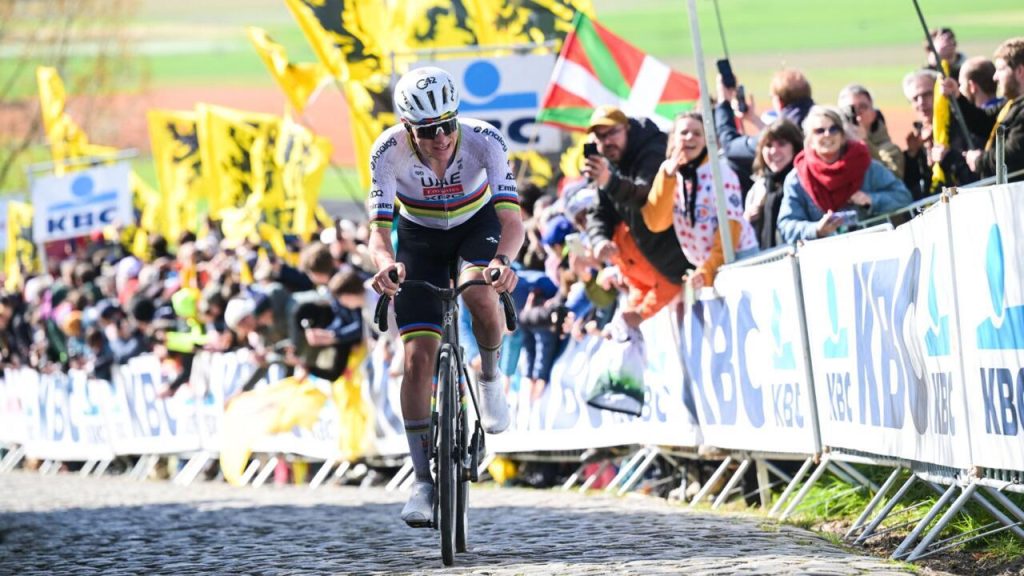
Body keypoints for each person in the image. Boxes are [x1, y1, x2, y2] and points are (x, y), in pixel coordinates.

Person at [365, 66, 524, 527]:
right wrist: (384, 266)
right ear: (408, 128)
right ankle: (421, 481)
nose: (441, 138)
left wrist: (504, 263)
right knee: (416, 357)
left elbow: (512, 222)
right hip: (419, 236)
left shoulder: (484, 140)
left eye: (448, 124)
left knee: (478, 291)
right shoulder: (387, 150)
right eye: (429, 130)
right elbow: (377, 234)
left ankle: (491, 380)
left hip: (478, 227)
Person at [583, 105, 690, 326]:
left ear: (627, 128)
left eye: (612, 132)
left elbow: (645, 194)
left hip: (684, 260)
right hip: (660, 270)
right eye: (600, 136)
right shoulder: (608, 165)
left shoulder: (652, 149)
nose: (606, 142)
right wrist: (599, 240)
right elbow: (598, 213)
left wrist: (608, 182)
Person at [642, 112, 758, 291]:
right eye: (684, 132)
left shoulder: (720, 172)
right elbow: (656, 222)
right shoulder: (669, 173)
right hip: (704, 267)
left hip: (737, 257)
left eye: (697, 133)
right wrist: (668, 178)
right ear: (673, 138)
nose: (690, 138)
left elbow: (730, 230)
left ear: (706, 140)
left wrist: (707, 270)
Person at [777, 106, 913, 244]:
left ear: (843, 137)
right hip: (824, 258)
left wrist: (871, 199)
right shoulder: (798, 178)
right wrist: (816, 229)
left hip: (870, 249)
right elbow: (787, 225)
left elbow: (903, 196)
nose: (827, 134)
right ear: (810, 140)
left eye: (834, 129)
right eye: (819, 131)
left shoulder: (866, 166)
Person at [955, 38, 1024, 182]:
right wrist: (957, 96)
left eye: (1000, 69)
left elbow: (1013, 155)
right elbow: (983, 121)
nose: (995, 77)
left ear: (1020, 71)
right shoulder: (1012, 104)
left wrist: (981, 160)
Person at [901, 69, 974, 199]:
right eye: (915, 98)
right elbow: (911, 188)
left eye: (927, 94)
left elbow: (975, 175)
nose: (921, 102)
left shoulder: (961, 126)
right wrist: (912, 156)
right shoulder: (916, 139)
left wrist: (949, 157)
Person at [743, 119, 804, 250]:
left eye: (781, 144)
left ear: (795, 147)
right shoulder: (758, 187)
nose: (774, 151)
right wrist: (746, 221)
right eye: (768, 145)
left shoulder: (803, 181)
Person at [837, 84, 904, 179]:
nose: (857, 113)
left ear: (874, 114)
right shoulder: (833, 147)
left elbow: (893, 178)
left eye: (863, 107)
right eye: (849, 110)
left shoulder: (889, 149)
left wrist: (864, 143)